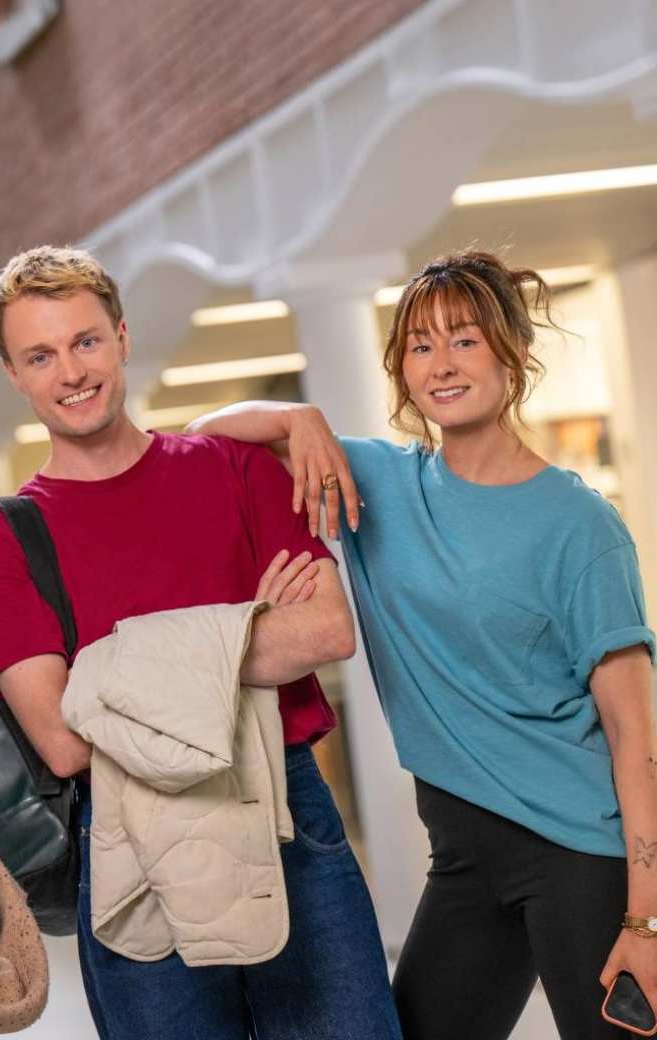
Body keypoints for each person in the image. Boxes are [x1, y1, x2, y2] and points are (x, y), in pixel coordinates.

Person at [191, 249, 657, 1040]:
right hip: (464, 853)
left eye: (465, 340)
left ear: (513, 353)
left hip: (579, 854)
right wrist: (301, 418)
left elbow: (635, 733)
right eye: (419, 344)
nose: (441, 364)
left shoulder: (579, 526)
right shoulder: (371, 480)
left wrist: (646, 922)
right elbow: (202, 442)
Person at [0, 245, 402, 1040]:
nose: (70, 371)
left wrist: (110, 670)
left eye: (86, 341)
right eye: (40, 355)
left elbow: (327, 630)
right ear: (15, 377)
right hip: (132, 839)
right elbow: (61, 738)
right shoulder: (3, 536)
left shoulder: (236, 468)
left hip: (286, 816)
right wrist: (246, 633)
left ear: (123, 339)